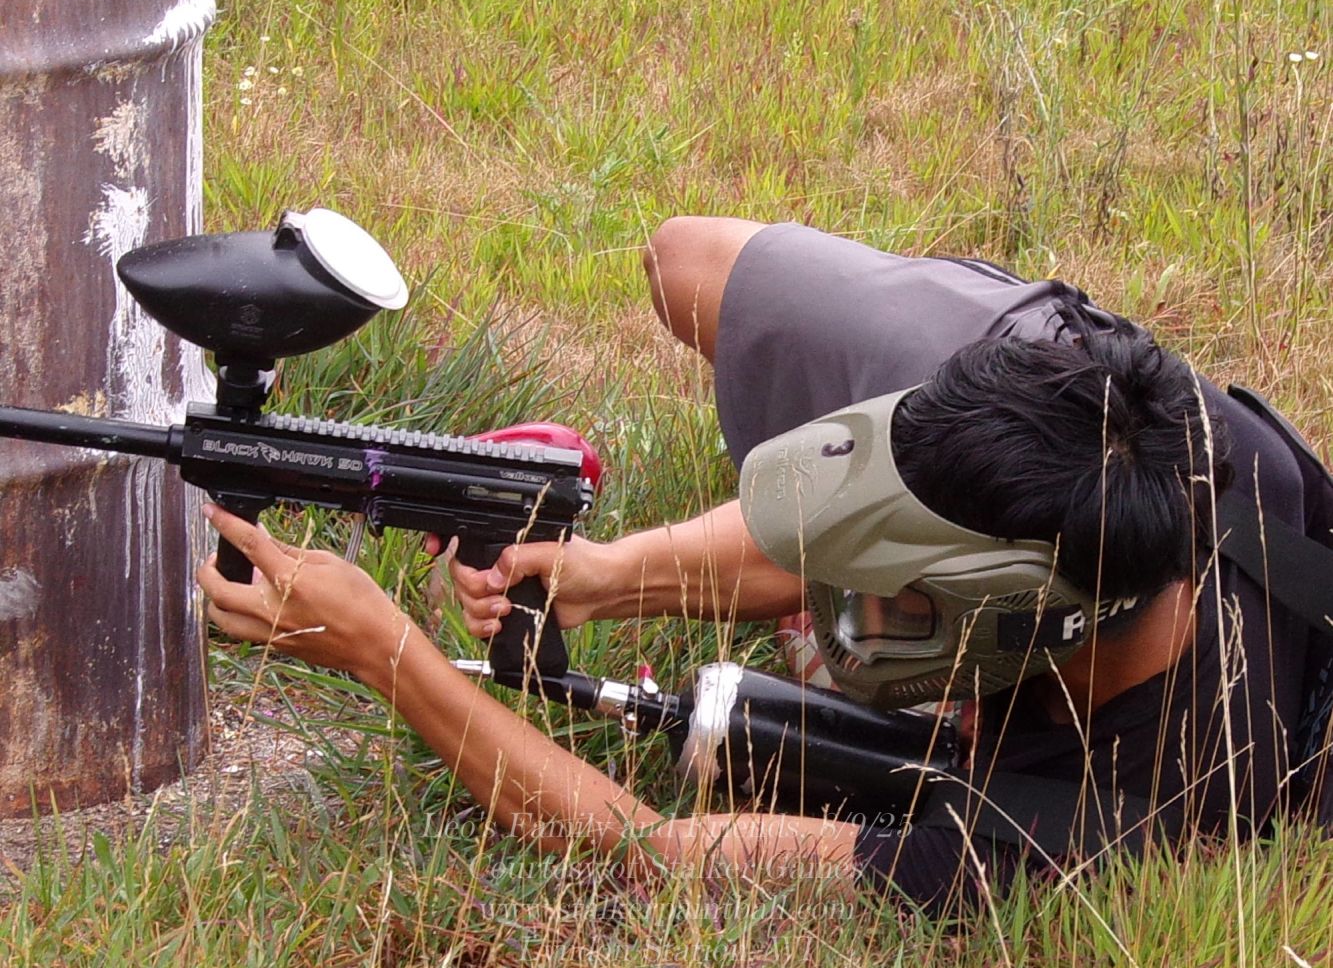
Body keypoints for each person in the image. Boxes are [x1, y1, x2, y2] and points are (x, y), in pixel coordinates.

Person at [197, 218, 1320, 910]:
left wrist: (381, 650)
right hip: (1027, 431)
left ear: (1008, 616)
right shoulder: (1161, 431)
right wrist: (608, 574)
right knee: (687, 261)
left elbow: (651, 852)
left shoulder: (1064, 838)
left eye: (895, 575)